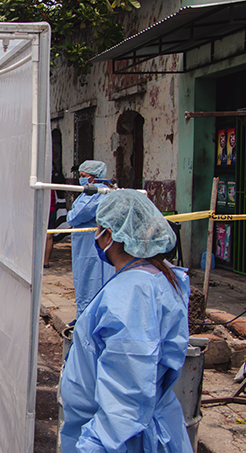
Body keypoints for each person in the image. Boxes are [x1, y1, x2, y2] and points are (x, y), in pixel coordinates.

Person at [60, 189, 191, 452]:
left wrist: (94, 446)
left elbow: (125, 401)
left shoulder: (133, 296)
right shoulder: (155, 278)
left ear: (110, 234)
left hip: (124, 441)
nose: (95, 235)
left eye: (98, 228)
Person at [66, 160, 115, 319]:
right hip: (84, 244)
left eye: (83, 176)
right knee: (84, 280)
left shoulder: (97, 194)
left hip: (90, 245)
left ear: (94, 176)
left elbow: (76, 216)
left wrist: (70, 215)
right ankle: (84, 315)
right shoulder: (89, 193)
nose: (81, 179)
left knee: (90, 280)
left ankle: (88, 317)